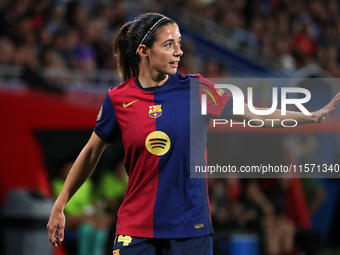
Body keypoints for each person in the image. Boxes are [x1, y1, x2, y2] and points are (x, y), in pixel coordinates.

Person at [47, 12, 340, 255]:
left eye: (180, 43)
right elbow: (90, 153)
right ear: (144, 52)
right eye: (169, 44)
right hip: (136, 229)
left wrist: (308, 116)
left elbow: (255, 114)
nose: (179, 51)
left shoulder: (198, 89)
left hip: (190, 230)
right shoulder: (118, 99)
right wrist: (60, 205)